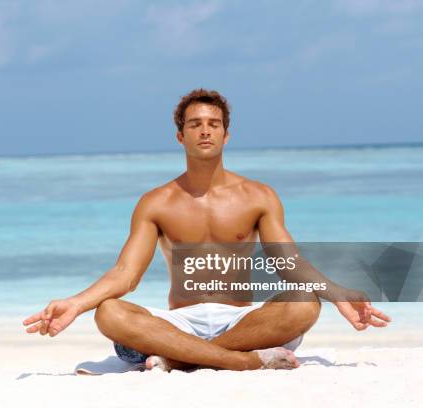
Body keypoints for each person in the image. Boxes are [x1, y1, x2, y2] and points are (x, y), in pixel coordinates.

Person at [23, 89, 391, 371]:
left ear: (226, 136)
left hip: (244, 321)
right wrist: (76, 303)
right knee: (109, 313)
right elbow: (125, 274)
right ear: (180, 136)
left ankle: (181, 360)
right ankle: (242, 361)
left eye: (213, 124)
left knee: (303, 303)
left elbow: (286, 261)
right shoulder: (156, 202)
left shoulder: (258, 195)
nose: (204, 131)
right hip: (179, 321)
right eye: (194, 124)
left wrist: (336, 291)